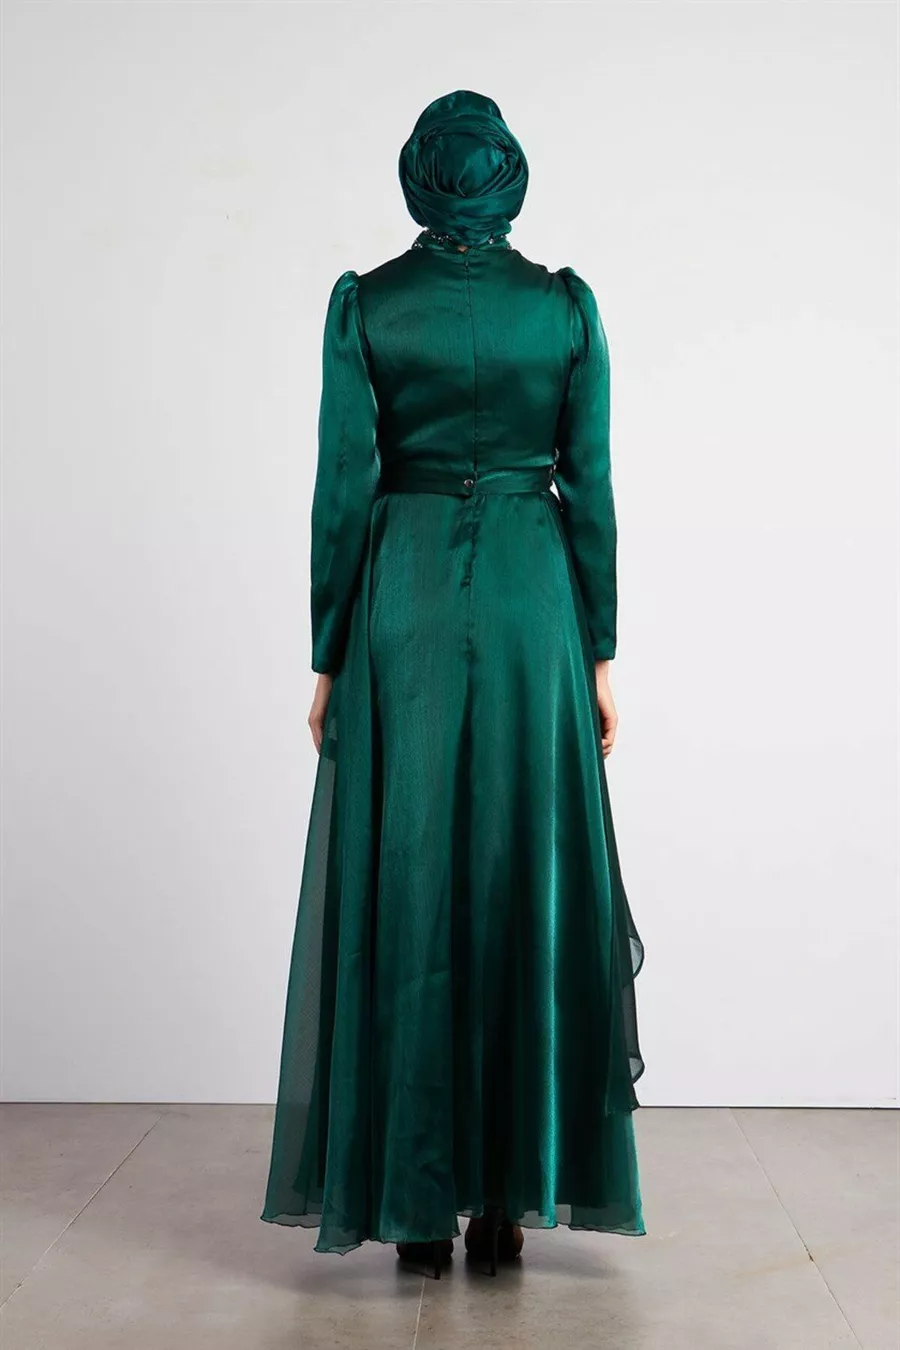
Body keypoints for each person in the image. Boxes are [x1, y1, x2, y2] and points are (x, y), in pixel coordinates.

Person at [260, 89, 646, 1279]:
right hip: (533, 601)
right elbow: (592, 486)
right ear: (511, 180)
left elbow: (341, 490)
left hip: (408, 599)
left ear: (417, 179)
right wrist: (600, 651)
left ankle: (417, 1205)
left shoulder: (368, 306)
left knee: (413, 873)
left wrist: (329, 652)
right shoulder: (563, 309)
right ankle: (506, 1202)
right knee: (522, 872)